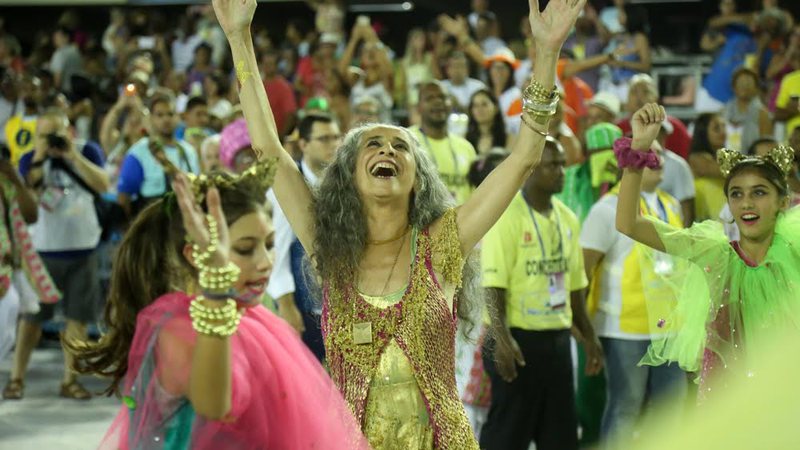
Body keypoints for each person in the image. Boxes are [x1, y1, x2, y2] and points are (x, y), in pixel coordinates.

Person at [212, 0, 586, 447]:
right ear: (349, 173)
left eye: (400, 146)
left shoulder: (444, 243)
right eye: (373, 144)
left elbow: (525, 157)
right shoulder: (330, 248)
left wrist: (546, 53)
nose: (387, 151)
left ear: (418, 179)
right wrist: (238, 37)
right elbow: (270, 151)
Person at [70, 163, 368, 449]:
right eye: (244, 249)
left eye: (269, 244)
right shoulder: (178, 330)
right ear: (194, 255)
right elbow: (213, 404)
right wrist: (214, 289)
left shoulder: (255, 320)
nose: (264, 262)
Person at [614, 102, 800, 402]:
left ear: (783, 201)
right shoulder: (714, 253)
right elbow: (628, 223)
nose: (746, 203)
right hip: (725, 405)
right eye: (736, 194)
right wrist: (639, 149)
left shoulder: (795, 250)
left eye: (760, 192)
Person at [480, 137, 602, 450]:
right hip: (517, 340)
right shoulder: (504, 215)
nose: (561, 171)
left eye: (562, 163)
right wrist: (502, 341)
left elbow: (575, 287)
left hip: (557, 341)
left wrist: (589, 337)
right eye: (552, 165)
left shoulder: (568, 218)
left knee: (560, 437)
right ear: (529, 171)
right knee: (508, 436)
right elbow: (492, 288)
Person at [581, 143, 687, 444]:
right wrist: (586, 330)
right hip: (624, 329)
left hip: (670, 328)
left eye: (661, 153)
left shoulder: (672, 204)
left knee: (670, 411)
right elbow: (584, 272)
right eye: (648, 153)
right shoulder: (605, 209)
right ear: (629, 161)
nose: (658, 159)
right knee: (625, 409)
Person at [3, 109, 109, 401]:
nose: (51, 140)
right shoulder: (29, 159)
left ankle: (70, 380)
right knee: (32, 319)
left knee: (78, 319)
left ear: (70, 130)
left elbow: (104, 184)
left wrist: (73, 155)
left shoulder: (87, 149)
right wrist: (39, 154)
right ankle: (16, 378)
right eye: (44, 134)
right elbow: (30, 192)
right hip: (44, 251)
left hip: (83, 248)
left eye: (56, 133)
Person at [268, 113, 341, 361]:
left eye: (335, 137)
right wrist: (285, 304)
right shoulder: (288, 185)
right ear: (304, 144)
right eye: (323, 139)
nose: (333, 144)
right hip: (305, 302)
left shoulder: (346, 183)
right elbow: (277, 248)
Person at [117, 93, 201, 218]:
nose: (166, 119)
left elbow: (197, 188)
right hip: (152, 224)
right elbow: (124, 198)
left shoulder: (189, 151)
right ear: (151, 119)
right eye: (160, 115)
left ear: (178, 117)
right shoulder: (139, 152)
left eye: (170, 114)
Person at [411, 81, 477, 205]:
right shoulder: (407, 141)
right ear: (418, 107)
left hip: (462, 221)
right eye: (430, 98)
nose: (438, 101)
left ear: (450, 104)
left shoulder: (466, 147)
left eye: (442, 97)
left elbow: (473, 192)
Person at [722, 68, 773, 153]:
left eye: (748, 83)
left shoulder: (762, 113)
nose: (744, 86)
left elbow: (766, 145)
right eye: (741, 83)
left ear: (756, 88)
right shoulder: (724, 112)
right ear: (734, 87)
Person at [465, 89, 510, 154]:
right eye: (475, 105)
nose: (479, 109)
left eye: (484, 104)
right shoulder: (465, 140)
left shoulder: (509, 139)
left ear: (496, 108)